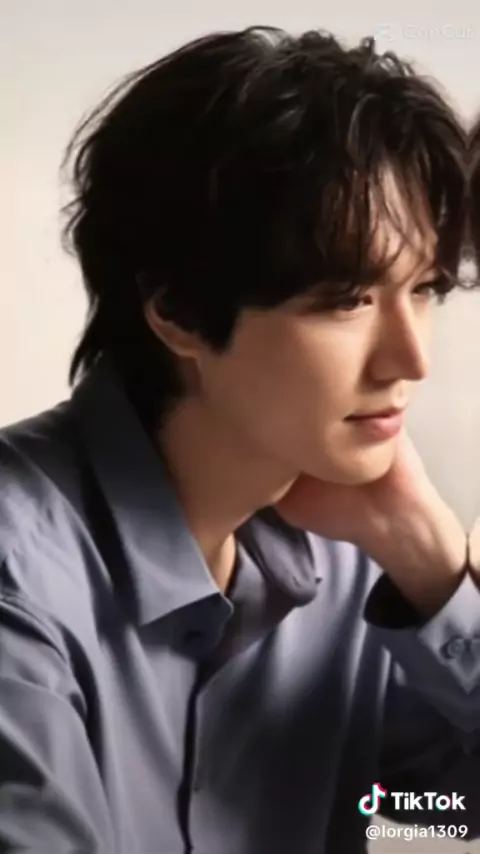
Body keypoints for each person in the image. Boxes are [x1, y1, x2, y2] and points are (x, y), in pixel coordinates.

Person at [1, 25, 479, 854]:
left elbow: (434, 812)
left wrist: (438, 576)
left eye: (424, 290)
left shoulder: (356, 564)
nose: (412, 360)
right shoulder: (21, 577)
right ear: (179, 311)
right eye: (347, 300)